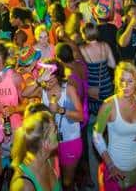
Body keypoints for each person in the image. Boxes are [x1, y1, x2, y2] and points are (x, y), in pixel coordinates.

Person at [92, 61, 136, 191]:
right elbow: (96, 135)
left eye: (130, 81)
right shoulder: (108, 105)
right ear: (117, 82)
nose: (125, 85)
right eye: (122, 80)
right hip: (115, 168)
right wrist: (110, 165)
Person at [34, 57, 84, 187]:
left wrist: (60, 110)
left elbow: (81, 116)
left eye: (51, 79)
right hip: (50, 142)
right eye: (46, 79)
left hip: (70, 141)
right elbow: (24, 93)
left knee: (67, 182)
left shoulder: (68, 89)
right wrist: (38, 81)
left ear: (58, 77)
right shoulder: (42, 89)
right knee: (53, 178)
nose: (48, 83)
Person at [9, 111, 62, 191]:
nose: (58, 132)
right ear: (45, 143)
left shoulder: (49, 159)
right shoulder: (24, 185)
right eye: (55, 130)